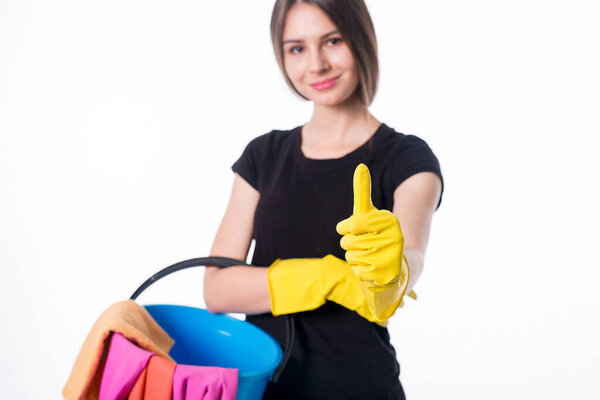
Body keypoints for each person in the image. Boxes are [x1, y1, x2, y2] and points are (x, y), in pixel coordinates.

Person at [203, 0, 443, 399]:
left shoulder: (406, 159)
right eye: (296, 47)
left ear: (362, 40)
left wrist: (392, 273)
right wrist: (327, 278)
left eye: (332, 41)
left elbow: (411, 261)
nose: (315, 64)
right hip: (263, 389)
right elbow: (217, 289)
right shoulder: (263, 157)